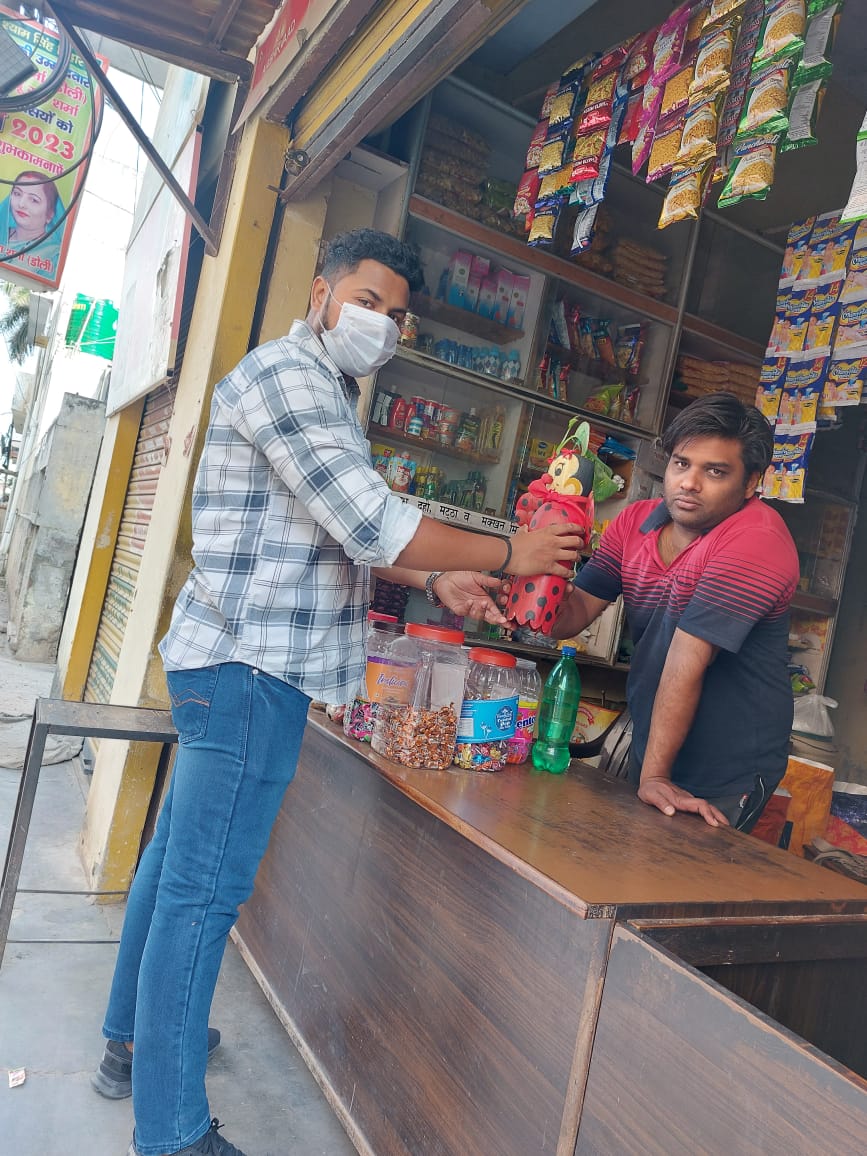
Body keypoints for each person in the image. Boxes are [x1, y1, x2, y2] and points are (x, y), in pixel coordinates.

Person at [91, 227, 583, 1156]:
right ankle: (172, 1134)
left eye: (396, 315)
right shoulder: (291, 377)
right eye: (367, 300)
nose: (381, 324)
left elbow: (331, 530)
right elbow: (371, 522)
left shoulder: (322, 389)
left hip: (233, 662)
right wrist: (513, 552)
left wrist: (434, 579)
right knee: (203, 894)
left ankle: (132, 1042)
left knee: (173, 865)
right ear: (320, 292)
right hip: (250, 669)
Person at [548, 393, 799, 832]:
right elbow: (573, 613)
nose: (689, 483)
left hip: (729, 765)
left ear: (751, 483)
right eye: (682, 464)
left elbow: (686, 660)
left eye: (715, 471)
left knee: (687, 870)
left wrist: (654, 776)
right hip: (655, 743)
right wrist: (533, 581)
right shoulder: (634, 522)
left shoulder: (757, 539)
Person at [0, 170, 64, 267]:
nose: (21, 204)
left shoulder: (53, 255)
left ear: (50, 214)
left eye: (34, 200)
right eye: (17, 193)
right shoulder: (2, 231)